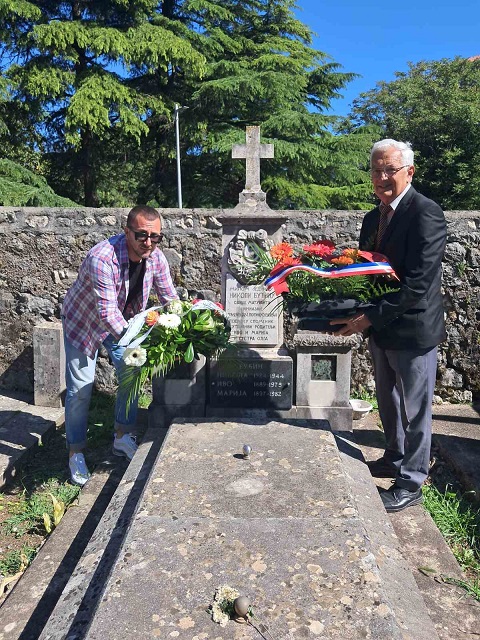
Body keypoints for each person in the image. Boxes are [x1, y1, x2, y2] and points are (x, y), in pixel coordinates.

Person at [330, 139, 446, 513]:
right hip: (381, 329)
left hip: (413, 330)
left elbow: (418, 284)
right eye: (376, 170)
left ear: (409, 172)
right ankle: (394, 457)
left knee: (415, 409)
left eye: (389, 170)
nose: (381, 177)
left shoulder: (425, 213)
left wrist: (368, 317)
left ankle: (411, 482)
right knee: (388, 401)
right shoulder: (372, 218)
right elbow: (366, 273)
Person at [62, 205, 178, 486]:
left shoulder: (156, 257)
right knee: (81, 388)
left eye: (155, 236)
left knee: (131, 374)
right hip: (85, 322)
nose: (148, 242)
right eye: (141, 235)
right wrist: (136, 344)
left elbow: (169, 298)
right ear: (126, 231)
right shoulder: (102, 258)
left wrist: (185, 321)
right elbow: (107, 313)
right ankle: (75, 451)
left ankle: (122, 436)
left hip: (123, 324)